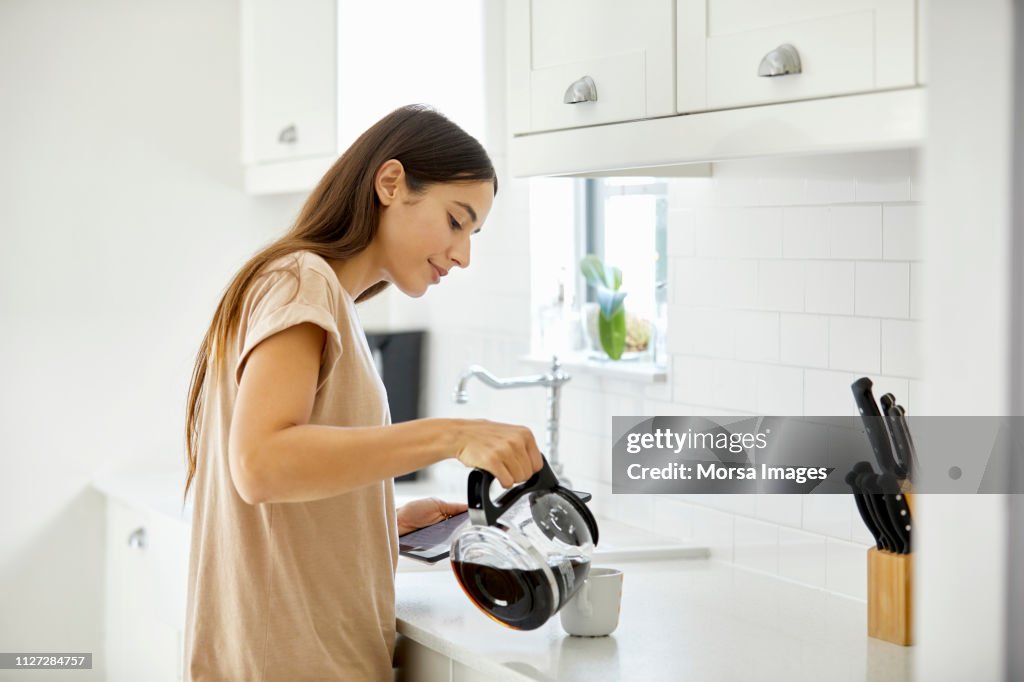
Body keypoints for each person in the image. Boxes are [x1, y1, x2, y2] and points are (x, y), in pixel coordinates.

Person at [181, 104, 543, 681]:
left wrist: (377, 520)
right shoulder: (302, 283)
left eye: (473, 233)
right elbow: (260, 464)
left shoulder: (314, 292)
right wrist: (450, 435)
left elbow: (281, 484)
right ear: (392, 183)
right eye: (456, 221)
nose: (463, 254)